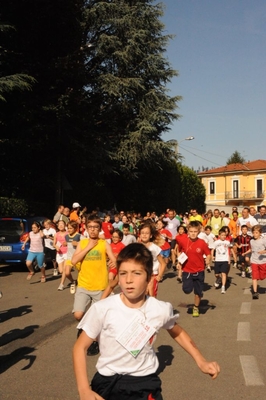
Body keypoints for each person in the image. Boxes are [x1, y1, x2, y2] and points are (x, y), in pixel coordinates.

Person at [73, 243, 220, 400]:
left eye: (137, 273)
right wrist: (83, 390)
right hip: (108, 383)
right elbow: (80, 347)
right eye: (123, 273)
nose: (129, 280)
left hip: (145, 382)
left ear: (149, 278)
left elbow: (178, 332)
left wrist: (201, 360)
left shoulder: (159, 309)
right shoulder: (103, 308)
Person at [71, 214, 116, 355]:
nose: (93, 230)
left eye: (96, 227)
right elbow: (73, 261)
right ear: (86, 228)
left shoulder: (104, 244)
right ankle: (84, 327)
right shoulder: (82, 243)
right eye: (90, 227)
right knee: (78, 315)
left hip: (100, 287)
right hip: (84, 284)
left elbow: (114, 259)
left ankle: (94, 342)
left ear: (100, 229)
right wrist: (88, 247)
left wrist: (114, 262)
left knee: (99, 318)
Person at [176, 221, 211, 317]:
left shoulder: (202, 243)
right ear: (187, 231)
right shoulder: (183, 241)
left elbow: (208, 253)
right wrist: (179, 263)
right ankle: (192, 289)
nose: (193, 233)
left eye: (195, 231)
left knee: (198, 292)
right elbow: (179, 252)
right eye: (191, 231)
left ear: (198, 232)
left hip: (199, 271)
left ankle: (196, 307)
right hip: (187, 270)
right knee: (187, 290)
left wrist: (208, 260)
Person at [139, 223, 165, 297]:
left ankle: (153, 308)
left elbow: (163, 263)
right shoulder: (137, 247)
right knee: (141, 296)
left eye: (147, 233)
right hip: (141, 275)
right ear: (139, 235)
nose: (144, 235)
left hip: (152, 275)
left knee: (152, 296)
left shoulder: (155, 248)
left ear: (150, 235)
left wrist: (159, 275)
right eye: (142, 233)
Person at [57, 221, 81, 293]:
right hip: (69, 257)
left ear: (75, 228)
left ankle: (81, 285)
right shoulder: (66, 236)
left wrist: (77, 244)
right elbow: (67, 243)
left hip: (78, 258)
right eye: (68, 228)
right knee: (67, 272)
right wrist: (65, 243)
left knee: (81, 273)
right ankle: (73, 281)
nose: (69, 230)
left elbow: (84, 245)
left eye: (71, 228)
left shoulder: (79, 236)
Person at [248, 225, 266, 299]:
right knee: (254, 277)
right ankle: (255, 292)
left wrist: (264, 251)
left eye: (256, 233)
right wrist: (246, 253)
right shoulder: (251, 241)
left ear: (260, 233)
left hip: (263, 261)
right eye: (254, 233)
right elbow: (251, 250)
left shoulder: (263, 240)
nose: (255, 234)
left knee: (262, 277)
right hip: (254, 260)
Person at [211, 228, 231, 294]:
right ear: (219, 235)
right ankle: (218, 278)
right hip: (217, 260)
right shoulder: (216, 242)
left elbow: (229, 250)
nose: (223, 236)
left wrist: (229, 259)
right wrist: (212, 256)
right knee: (216, 274)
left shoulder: (227, 242)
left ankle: (223, 287)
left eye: (225, 235)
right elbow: (212, 249)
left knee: (223, 273)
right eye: (222, 235)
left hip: (224, 260)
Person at [54, 220, 68, 289]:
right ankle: (72, 280)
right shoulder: (56, 234)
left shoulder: (68, 233)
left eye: (62, 224)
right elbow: (54, 243)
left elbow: (71, 242)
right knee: (61, 271)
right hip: (59, 254)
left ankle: (61, 284)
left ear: (65, 225)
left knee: (65, 269)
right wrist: (56, 246)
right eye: (59, 224)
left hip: (67, 253)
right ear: (57, 226)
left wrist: (67, 243)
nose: (61, 225)